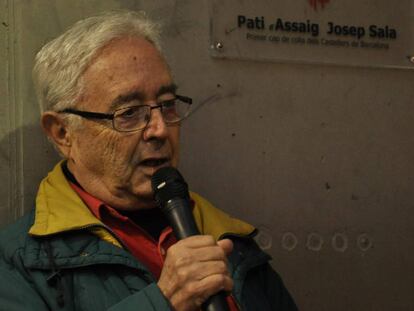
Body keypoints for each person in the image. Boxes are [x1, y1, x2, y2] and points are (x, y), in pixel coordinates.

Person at [0, 11, 297, 311]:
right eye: (129, 113)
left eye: (167, 105)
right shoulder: (17, 263)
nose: (160, 129)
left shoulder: (230, 240)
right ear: (63, 133)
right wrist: (162, 302)